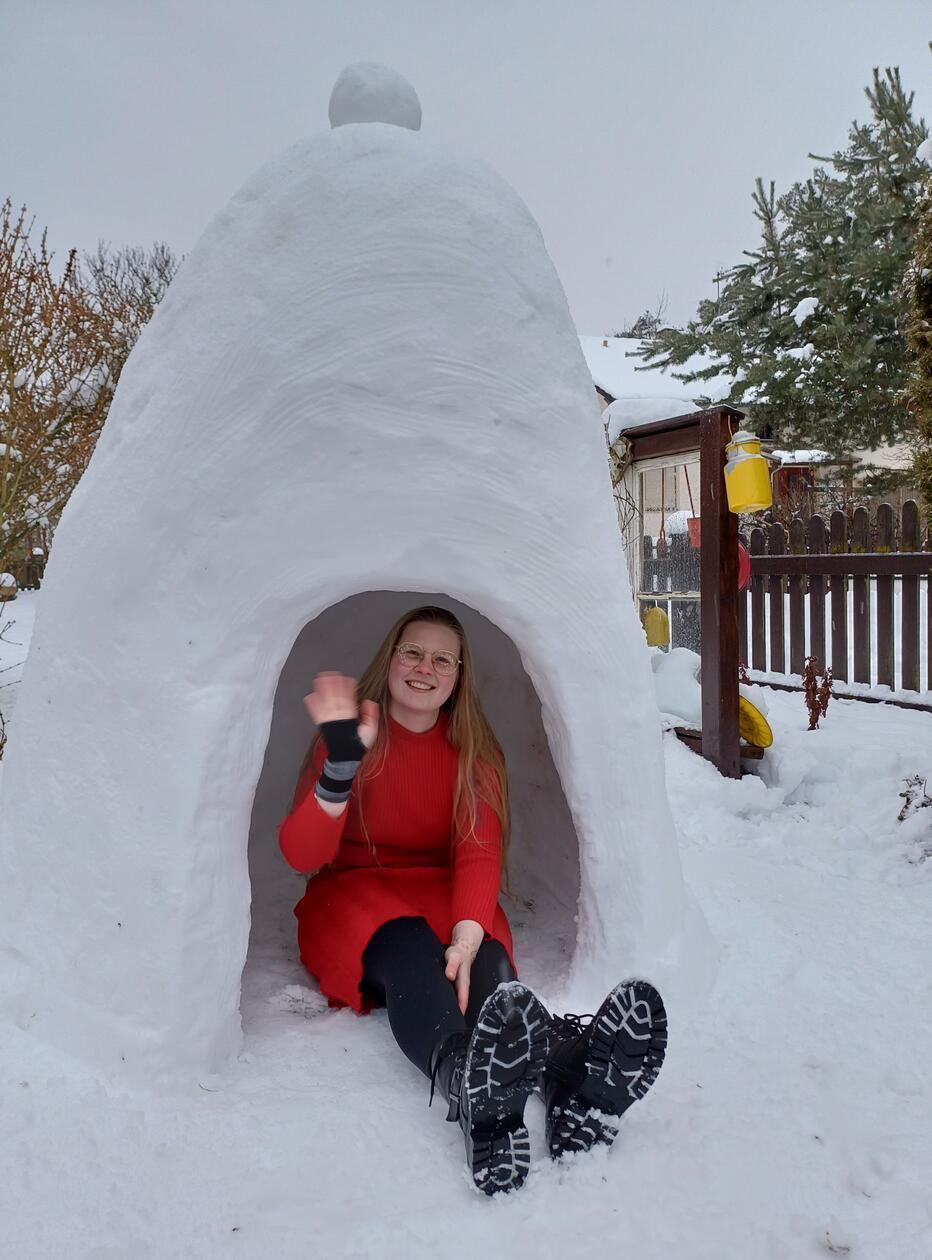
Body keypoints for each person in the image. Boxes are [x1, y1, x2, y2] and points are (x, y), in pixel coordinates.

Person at [278, 605, 667, 1194]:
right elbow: (303, 855)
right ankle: (465, 1074)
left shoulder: (474, 750)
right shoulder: (351, 734)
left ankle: (568, 1077)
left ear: (459, 676)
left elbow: (478, 850)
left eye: (443, 659)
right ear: (390, 659)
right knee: (410, 949)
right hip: (354, 891)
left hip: (445, 889)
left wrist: (467, 930)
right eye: (412, 652)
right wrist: (337, 770)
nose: (425, 668)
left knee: (488, 965)